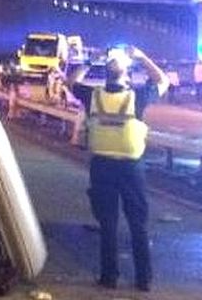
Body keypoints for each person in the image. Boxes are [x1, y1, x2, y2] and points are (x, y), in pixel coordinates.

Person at [68, 45, 169, 292]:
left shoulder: (93, 96)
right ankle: (143, 280)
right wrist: (142, 56)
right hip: (131, 168)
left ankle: (109, 277)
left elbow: (71, 82)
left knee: (108, 224)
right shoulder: (137, 97)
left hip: (102, 166)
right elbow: (162, 80)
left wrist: (90, 61)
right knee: (138, 224)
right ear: (127, 72)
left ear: (105, 71)